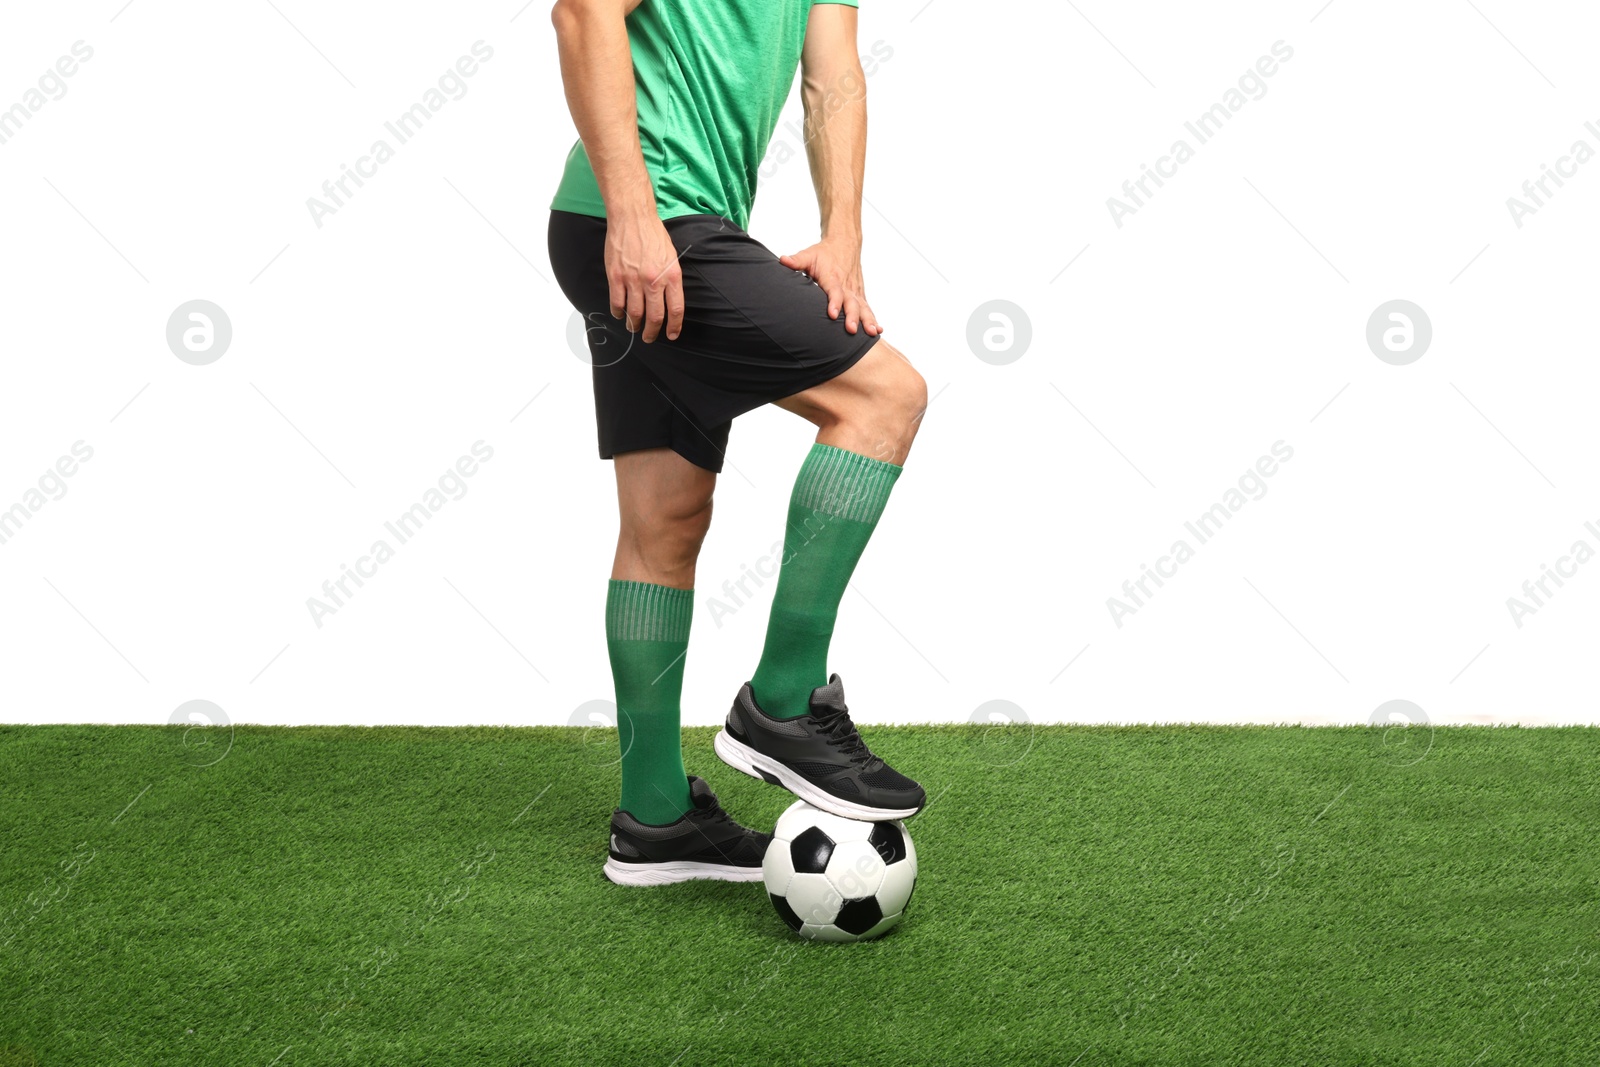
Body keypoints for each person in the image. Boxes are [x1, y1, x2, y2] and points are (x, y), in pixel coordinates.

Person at [548, 0, 928, 887]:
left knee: (665, 520)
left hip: (668, 228)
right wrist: (634, 217)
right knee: (883, 398)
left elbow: (833, 73)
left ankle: (655, 820)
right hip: (646, 227)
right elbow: (581, 15)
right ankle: (783, 702)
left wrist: (843, 237)